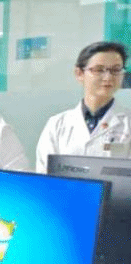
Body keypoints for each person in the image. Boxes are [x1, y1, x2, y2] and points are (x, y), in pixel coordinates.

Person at [35, 41, 131, 172]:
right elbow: (44, 172)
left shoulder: (128, 123)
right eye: (99, 70)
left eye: (116, 70)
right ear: (79, 74)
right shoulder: (57, 124)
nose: (108, 77)